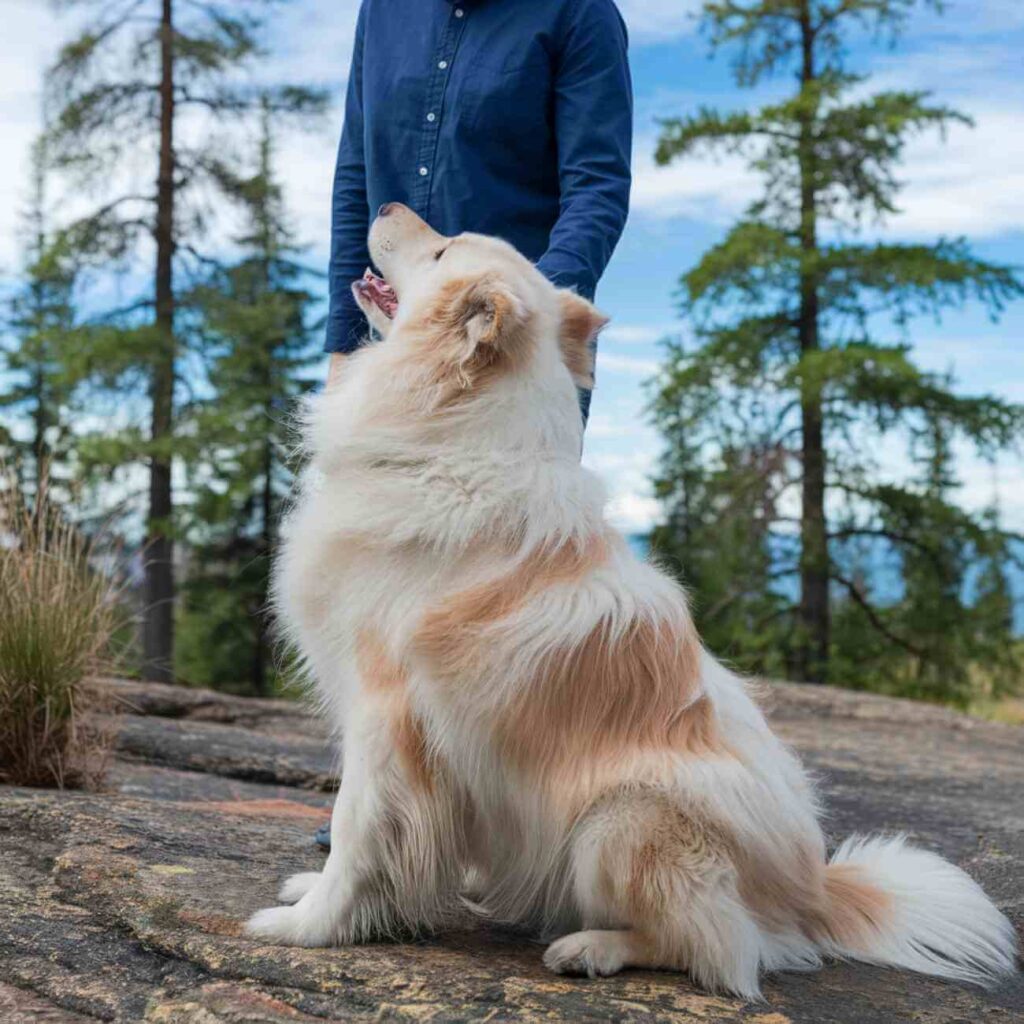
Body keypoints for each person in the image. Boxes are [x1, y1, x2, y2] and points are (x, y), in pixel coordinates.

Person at [316, 0, 633, 849]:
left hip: (510, 364)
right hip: (395, 362)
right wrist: (344, 342)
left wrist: (530, 311)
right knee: (378, 598)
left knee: (500, 614)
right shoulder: (383, 11)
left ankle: (515, 823)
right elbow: (358, 179)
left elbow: (597, 187)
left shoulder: (579, 16)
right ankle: (380, 822)